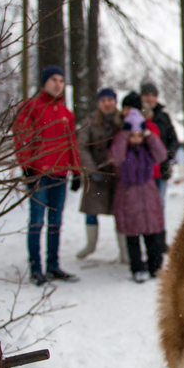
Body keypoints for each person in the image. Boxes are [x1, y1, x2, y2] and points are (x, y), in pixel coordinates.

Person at [13, 65, 81, 286]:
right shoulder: (31, 107)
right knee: (36, 222)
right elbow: (22, 137)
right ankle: (36, 268)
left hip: (60, 175)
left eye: (61, 80)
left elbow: (72, 143)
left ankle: (53, 265)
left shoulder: (66, 113)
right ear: (44, 82)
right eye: (53, 79)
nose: (58, 84)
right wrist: (26, 167)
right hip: (39, 174)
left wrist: (76, 171)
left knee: (55, 223)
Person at [109, 109, 168, 283]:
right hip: (127, 195)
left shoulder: (147, 150)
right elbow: (115, 157)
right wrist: (125, 133)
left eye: (138, 135)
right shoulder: (123, 149)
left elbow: (161, 154)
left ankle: (155, 266)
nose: (135, 138)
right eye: (132, 135)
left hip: (148, 195)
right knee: (132, 237)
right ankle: (137, 267)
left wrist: (148, 135)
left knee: (152, 235)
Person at [75, 88, 123, 260]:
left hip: (117, 177)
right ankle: (91, 244)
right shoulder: (90, 121)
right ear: (99, 103)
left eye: (110, 100)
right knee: (91, 210)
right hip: (95, 175)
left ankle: (124, 251)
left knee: (120, 212)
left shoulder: (123, 120)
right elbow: (82, 146)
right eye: (104, 100)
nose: (107, 103)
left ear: (115, 102)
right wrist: (91, 169)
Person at [140, 82, 180, 251]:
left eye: (153, 95)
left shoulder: (163, 117)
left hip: (161, 169)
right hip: (143, 170)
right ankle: (145, 240)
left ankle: (160, 240)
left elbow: (173, 140)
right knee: (143, 206)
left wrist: (168, 157)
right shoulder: (137, 116)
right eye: (147, 95)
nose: (150, 98)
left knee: (159, 204)